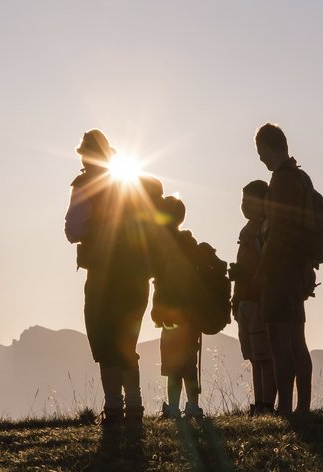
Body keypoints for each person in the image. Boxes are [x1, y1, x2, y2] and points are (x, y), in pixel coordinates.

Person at [65, 129, 158, 426]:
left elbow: (73, 230)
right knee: (127, 343)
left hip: (104, 275)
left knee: (105, 342)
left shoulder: (84, 184)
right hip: (136, 275)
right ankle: (135, 407)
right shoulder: (131, 184)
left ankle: (114, 408)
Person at [253, 123, 315, 416]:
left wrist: (263, 270)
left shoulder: (281, 181)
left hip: (280, 270)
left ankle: (287, 409)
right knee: (297, 340)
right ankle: (302, 406)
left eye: (260, 152)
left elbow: (278, 231)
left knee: (279, 342)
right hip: (300, 269)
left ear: (266, 147)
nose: (260, 159)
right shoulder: (302, 177)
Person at [151, 196, 204, 419]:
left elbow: (160, 281)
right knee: (189, 366)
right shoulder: (190, 244)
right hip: (191, 315)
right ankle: (192, 406)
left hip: (171, 315)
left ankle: (173, 407)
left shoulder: (162, 245)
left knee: (172, 367)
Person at [229, 180, 276, 416]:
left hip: (258, 300)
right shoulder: (247, 231)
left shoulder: (263, 231)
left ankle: (266, 403)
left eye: (249, 201)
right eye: (242, 201)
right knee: (254, 357)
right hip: (245, 300)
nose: (244, 206)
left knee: (264, 356)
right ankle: (260, 403)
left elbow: (264, 266)